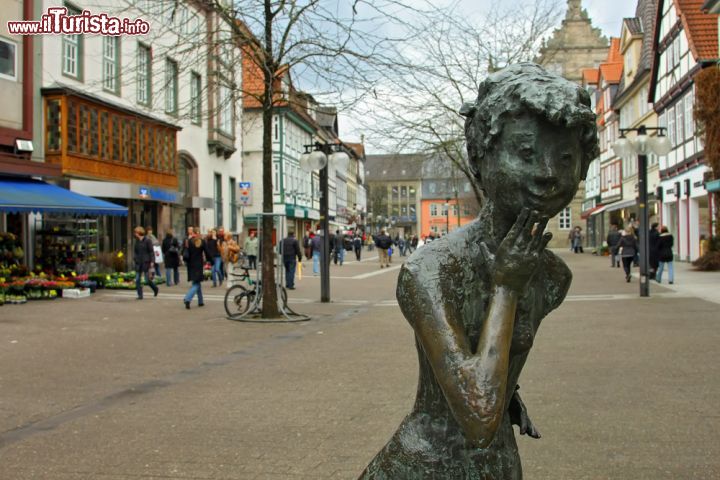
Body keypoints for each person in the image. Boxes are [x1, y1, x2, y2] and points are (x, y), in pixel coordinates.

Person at [359, 63, 599, 478]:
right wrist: (506, 287)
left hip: (498, 466)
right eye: (525, 153)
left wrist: (510, 392)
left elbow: (494, 383)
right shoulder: (432, 271)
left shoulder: (553, 277)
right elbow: (478, 416)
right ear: (479, 157)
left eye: (565, 158)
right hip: (426, 466)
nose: (547, 173)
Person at [133, 226, 158, 300]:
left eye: (136, 232)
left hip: (146, 262)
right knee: (137, 279)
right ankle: (140, 295)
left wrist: (152, 261)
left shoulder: (147, 240)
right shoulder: (137, 241)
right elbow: (136, 251)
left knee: (147, 280)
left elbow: (151, 252)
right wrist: (135, 258)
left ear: (139, 232)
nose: (135, 234)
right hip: (139, 262)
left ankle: (155, 288)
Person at [183, 234, 207, 309]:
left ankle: (200, 301)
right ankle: (187, 298)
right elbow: (207, 252)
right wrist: (211, 261)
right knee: (196, 284)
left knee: (197, 282)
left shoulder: (189, 242)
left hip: (191, 265)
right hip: (198, 265)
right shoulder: (202, 242)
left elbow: (185, 252)